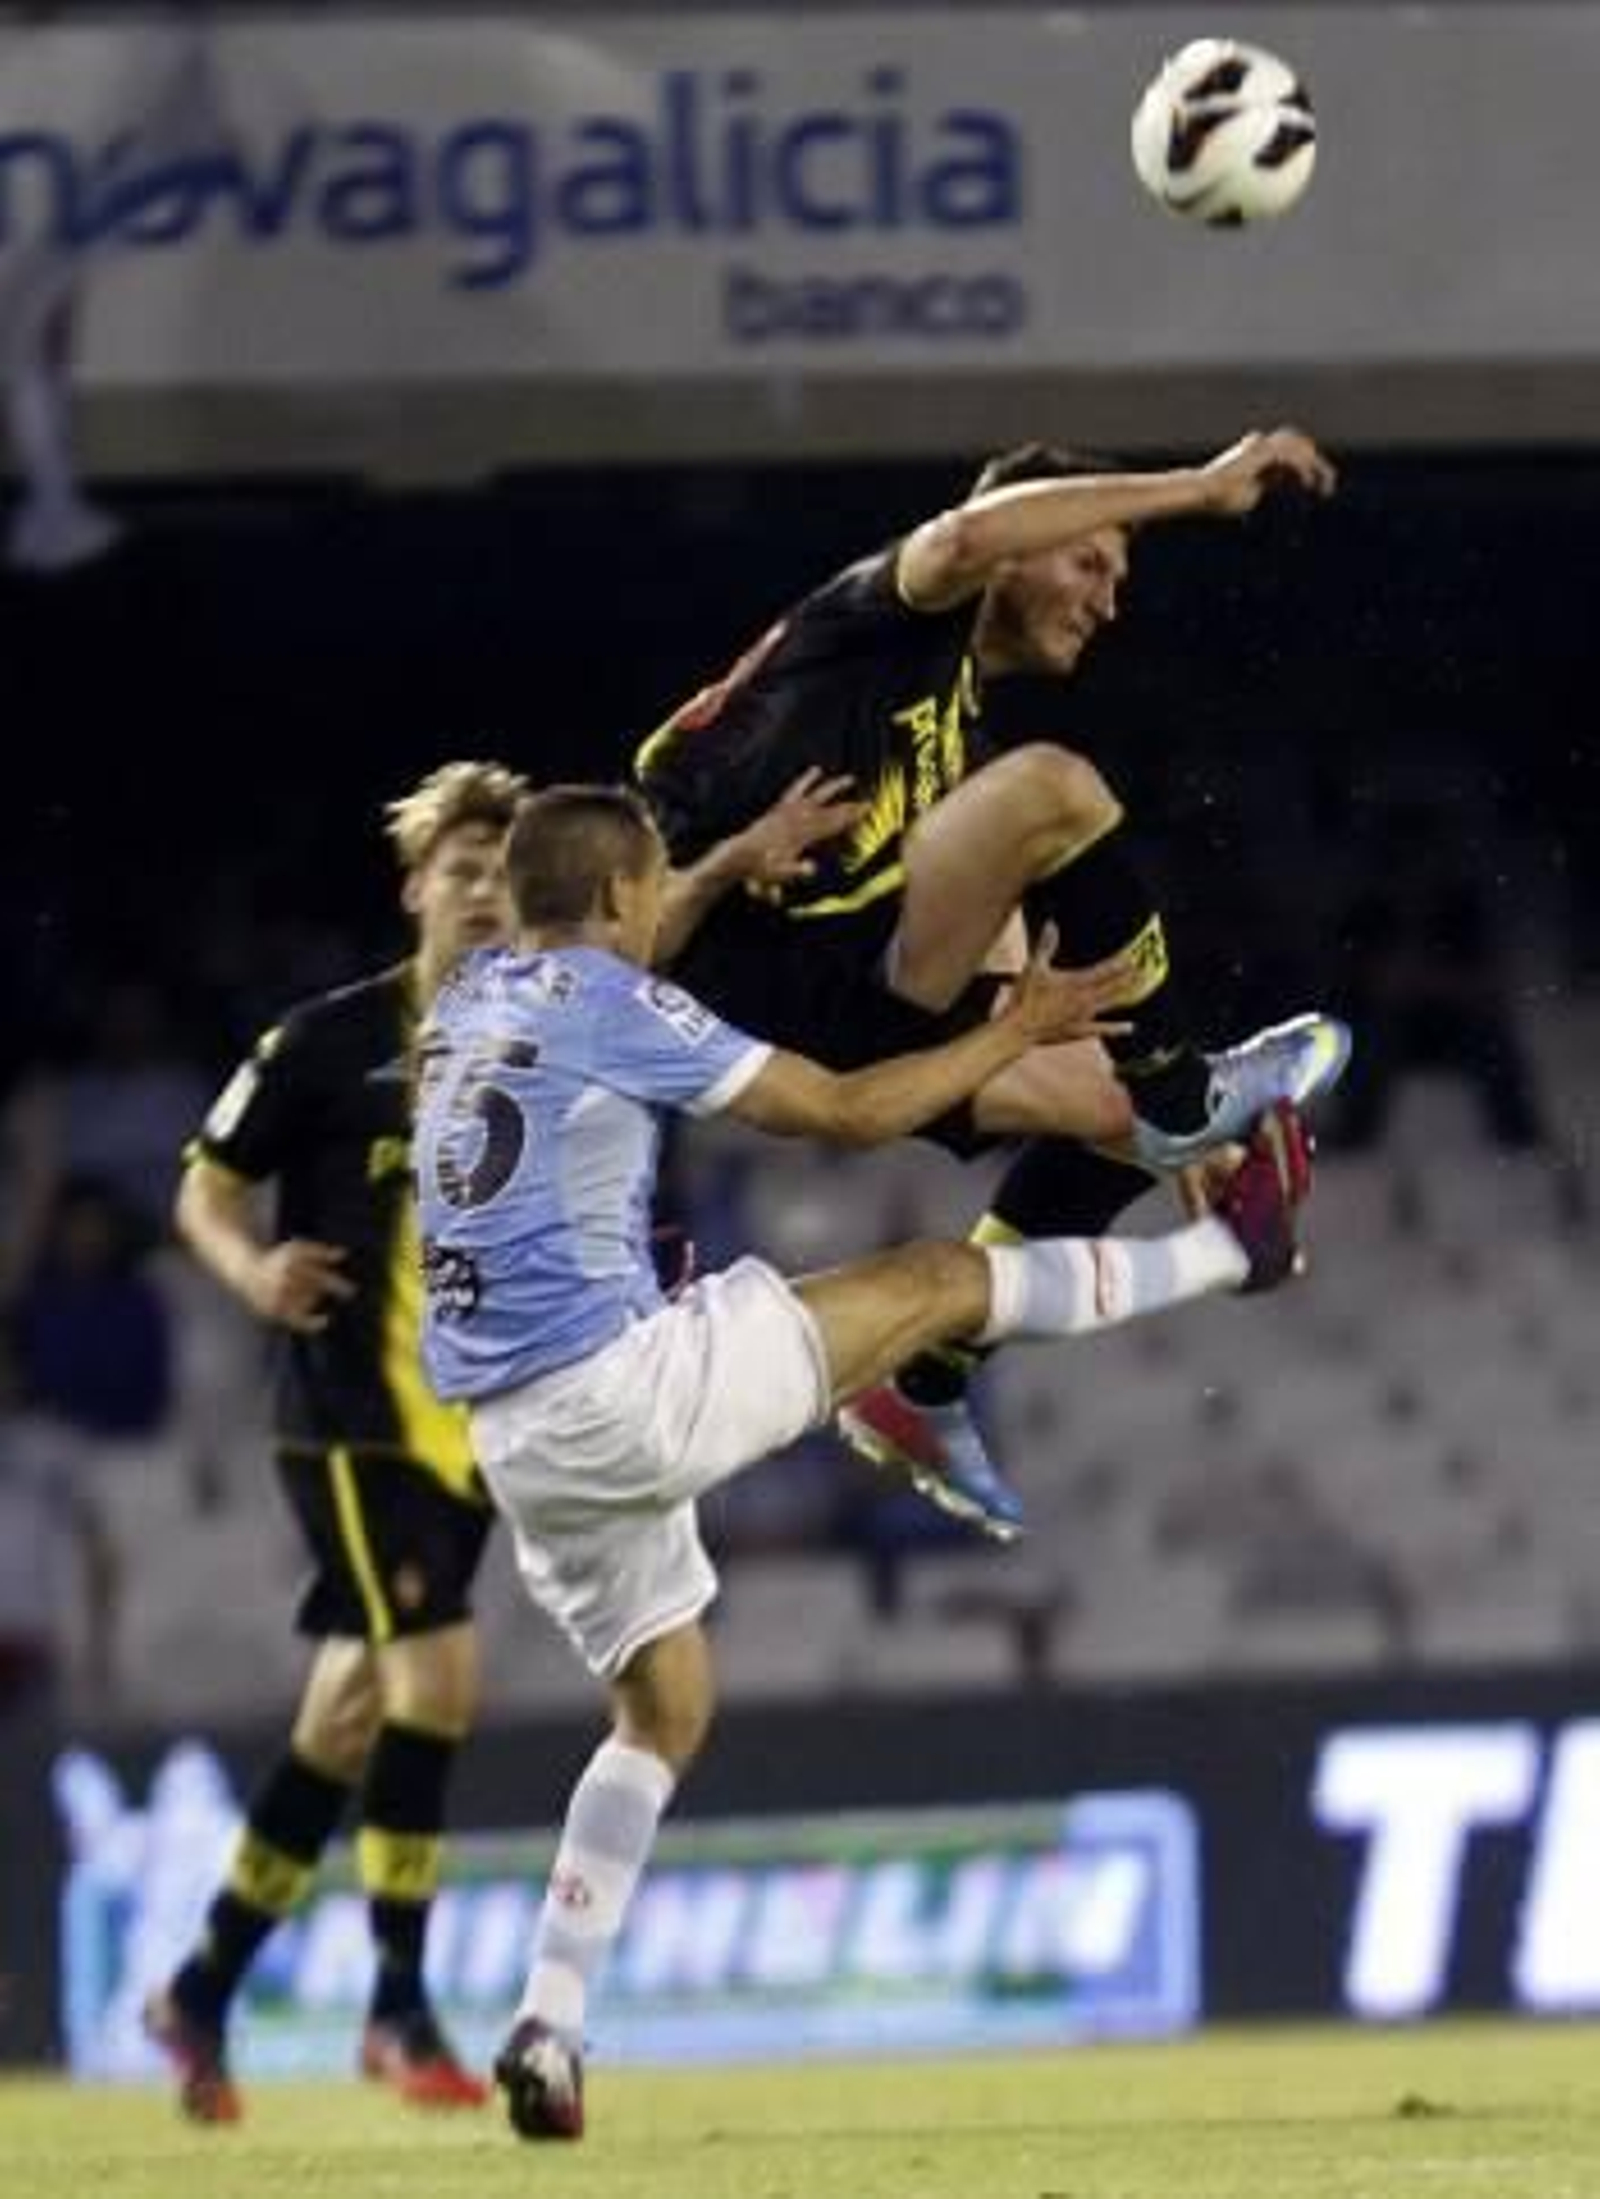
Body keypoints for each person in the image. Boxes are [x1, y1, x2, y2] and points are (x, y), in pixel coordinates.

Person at [411, 785, 1314, 2142]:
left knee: (662, 1709)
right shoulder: (609, 999)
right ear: (613, 902)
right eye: (649, 890)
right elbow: (836, 1109)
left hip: (516, 1435)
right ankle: (1228, 1255)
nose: (664, 911)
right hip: (620, 1391)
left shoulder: (471, 1001)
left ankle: (548, 2018)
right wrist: (1013, 1028)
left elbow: (618, 955)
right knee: (940, 1277)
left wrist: (718, 862)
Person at [141, 756, 867, 2126]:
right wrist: (250, 1276)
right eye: (457, 873)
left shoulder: (526, 1013)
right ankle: (400, 2004)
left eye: (498, 872)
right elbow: (205, 1189)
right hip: (350, 1409)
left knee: (346, 1710)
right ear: (418, 886)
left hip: (478, 1424)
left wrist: (720, 864)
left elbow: (626, 968)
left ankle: (200, 1984)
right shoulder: (325, 1042)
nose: (479, 895)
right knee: (437, 1681)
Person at [635, 429, 1351, 1538]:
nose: (1108, 603)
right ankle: (1185, 1095)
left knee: (1102, 1109)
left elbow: (994, 931)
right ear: (1024, 548)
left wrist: (1140, 1115)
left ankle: (919, 1379)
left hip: (848, 1000)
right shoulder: (875, 625)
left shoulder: (949, 713)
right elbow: (966, 533)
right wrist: (1199, 489)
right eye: (1090, 562)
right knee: (1053, 790)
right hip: (749, 1005)